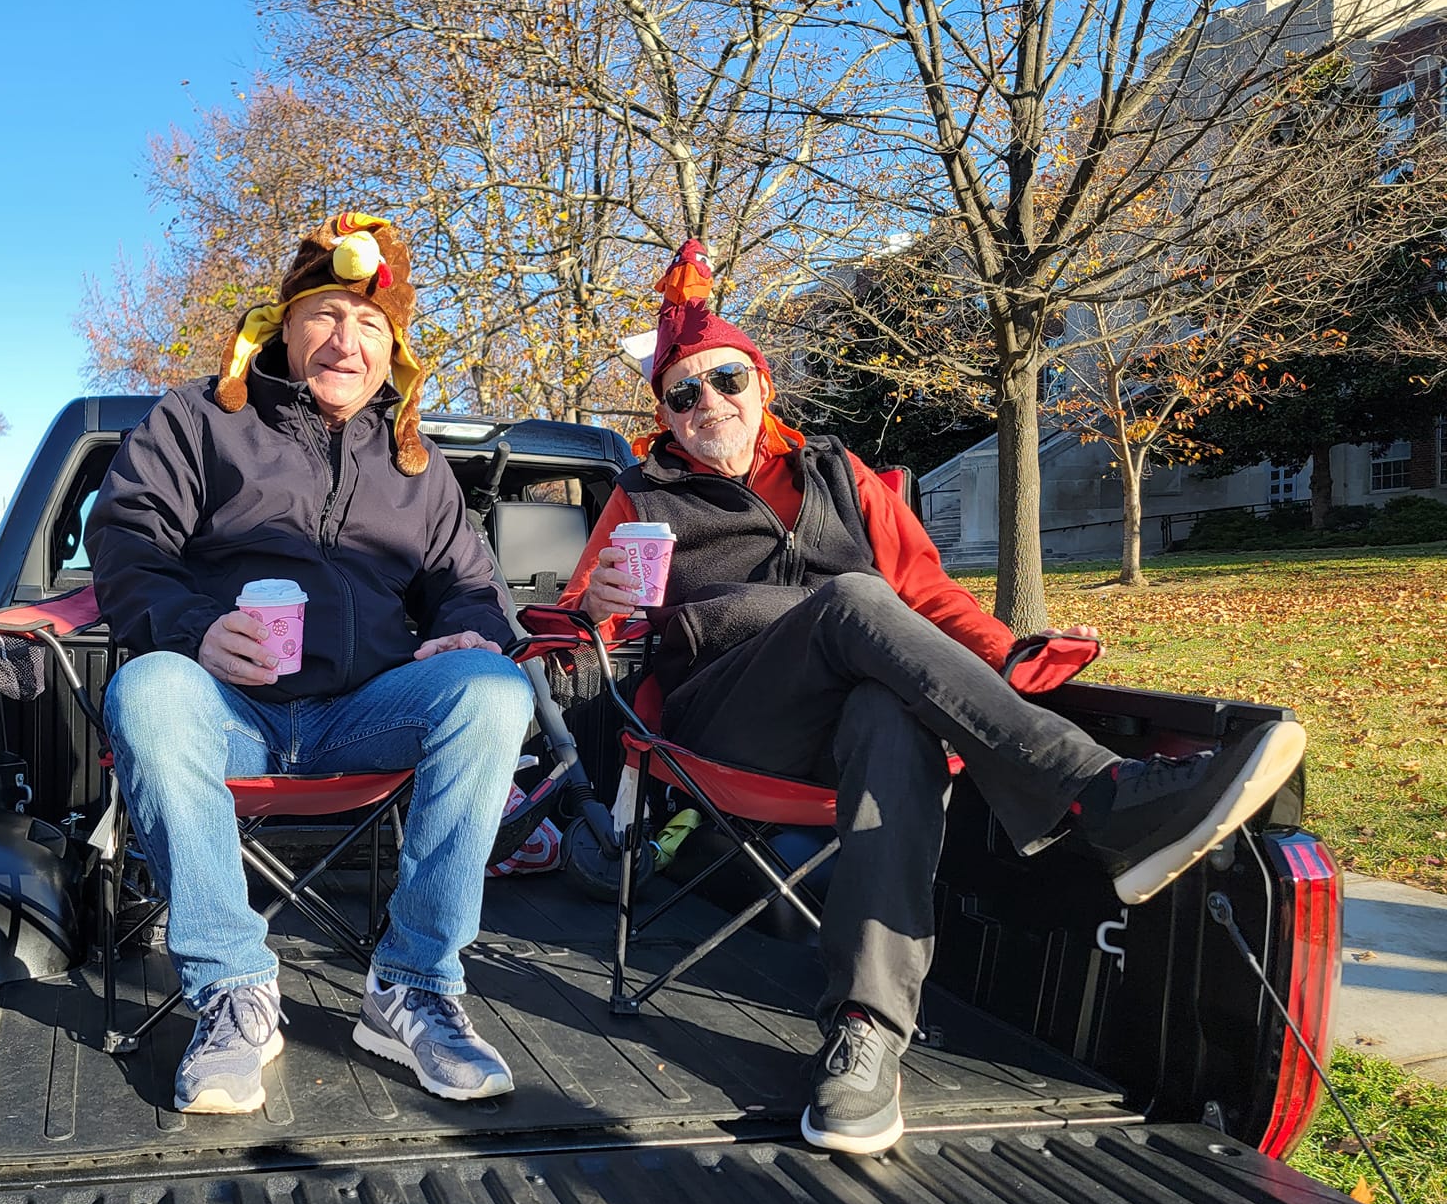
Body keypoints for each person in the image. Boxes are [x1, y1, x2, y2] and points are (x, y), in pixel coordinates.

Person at [559, 240, 1306, 1156]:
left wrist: (1005, 658)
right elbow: (573, 635)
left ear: (761, 386)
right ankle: (1103, 798)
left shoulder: (843, 476)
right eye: (683, 392)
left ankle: (866, 1038)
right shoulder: (642, 497)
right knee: (852, 600)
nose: (708, 403)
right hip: (726, 720)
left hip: (849, 715)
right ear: (666, 417)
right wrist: (591, 604)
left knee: (889, 710)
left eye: (725, 380)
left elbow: (931, 594)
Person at [86, 210, 533, 1115]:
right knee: (149, 687)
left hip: (364, 710)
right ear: (282, 327)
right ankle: (233, 991)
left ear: (393, 351)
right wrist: (193, 627)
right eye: (326, 315)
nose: (347, 340)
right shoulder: (201, 420)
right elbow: (127, 542)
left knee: (493, 689)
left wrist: (467, 632)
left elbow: (470, 585)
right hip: (227, 712)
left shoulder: (417, 465)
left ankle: (412, 986)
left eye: (371, 324)